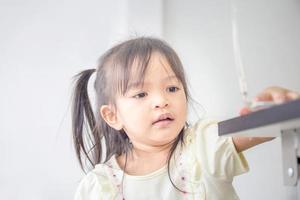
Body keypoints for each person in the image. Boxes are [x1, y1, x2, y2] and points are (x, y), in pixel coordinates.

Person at [71, 37, 299, 199]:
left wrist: (274, 109)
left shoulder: (202, 146)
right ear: (112, 116)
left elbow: (260, 130)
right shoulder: (99, 187)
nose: (161, 101)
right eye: (141, 94)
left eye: (171, 88)